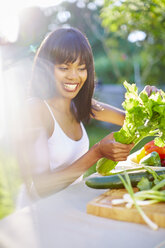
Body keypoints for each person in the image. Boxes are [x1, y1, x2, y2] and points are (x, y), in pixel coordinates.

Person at [17, 27, 156, 205]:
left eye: (81, 68)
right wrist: (97, 152)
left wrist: (149, 100)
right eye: (64, 67)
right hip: (39, 213)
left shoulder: (82, 105)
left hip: (68, 205)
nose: (74, 76)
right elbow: (42, 186)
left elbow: (130, 120)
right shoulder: (36, 109)